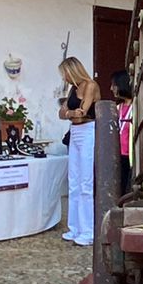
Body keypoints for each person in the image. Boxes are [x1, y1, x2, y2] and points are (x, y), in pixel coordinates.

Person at [57, 56, 100, 246]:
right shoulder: (73, 88)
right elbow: (63, 112)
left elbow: (83, 112)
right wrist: (70, 114)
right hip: (75, 133)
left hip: (88, 131)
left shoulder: (90, 85)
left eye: (64, 73)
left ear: (72, 70)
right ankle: (74, 227)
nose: (63, 77)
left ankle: (88, 230)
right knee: (73, 180)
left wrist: (71, 114)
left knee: (85, 182)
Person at [110, 69, 133, 196]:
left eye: (114, 85)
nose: (111, 88)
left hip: (131, 155)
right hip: (119, 154)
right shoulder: (117, 108)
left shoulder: (136, 106)